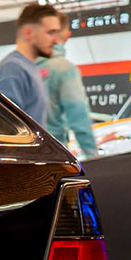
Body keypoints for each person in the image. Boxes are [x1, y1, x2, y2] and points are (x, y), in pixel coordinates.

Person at [38, 10, 99, 158]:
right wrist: (93, 157)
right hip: (52, 155)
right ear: (67, 35)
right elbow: (79, 119)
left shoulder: (16, 67)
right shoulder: (64, 69)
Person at [0, 3, 56, 127]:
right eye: (50, 33)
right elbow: (5, 127)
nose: (55, 40)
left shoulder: (28, 68)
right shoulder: (13, 69)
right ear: (28, 33)